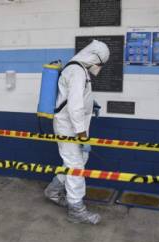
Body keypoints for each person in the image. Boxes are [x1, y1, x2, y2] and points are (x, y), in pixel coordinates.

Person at [44, 40, 110, 224]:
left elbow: (78, 99)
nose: (99, 68)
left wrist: (91, 104)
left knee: (77, 162)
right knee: (76, 166)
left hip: (73, 127)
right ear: (94, 58)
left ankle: (53, 191)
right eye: (100, 64)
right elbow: (74, 107)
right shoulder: (77, 71)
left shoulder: (79, 70)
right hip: (69, 129)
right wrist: (82, 136)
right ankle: (76, 210)